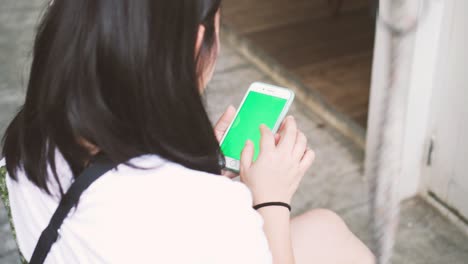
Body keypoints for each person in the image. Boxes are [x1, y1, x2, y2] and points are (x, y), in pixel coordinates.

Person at [1, 0, 374, 263]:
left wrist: (192, 171)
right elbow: (187, 216)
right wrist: (271, 198)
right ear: (197, 43)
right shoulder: (205, 209)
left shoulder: (29, 134)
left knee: (326, 228)